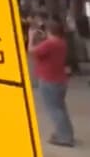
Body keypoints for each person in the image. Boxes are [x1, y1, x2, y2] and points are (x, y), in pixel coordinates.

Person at [29, 19, 74, 147]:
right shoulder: (61, 42)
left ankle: (64, 137)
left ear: (49, 31)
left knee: (54, 110)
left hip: (48, 80)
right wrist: (43, 37)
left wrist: (31, 37)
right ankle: (66, 133)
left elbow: (31, 51)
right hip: (60, 79)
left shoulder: (49, 44)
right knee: (60, 108)